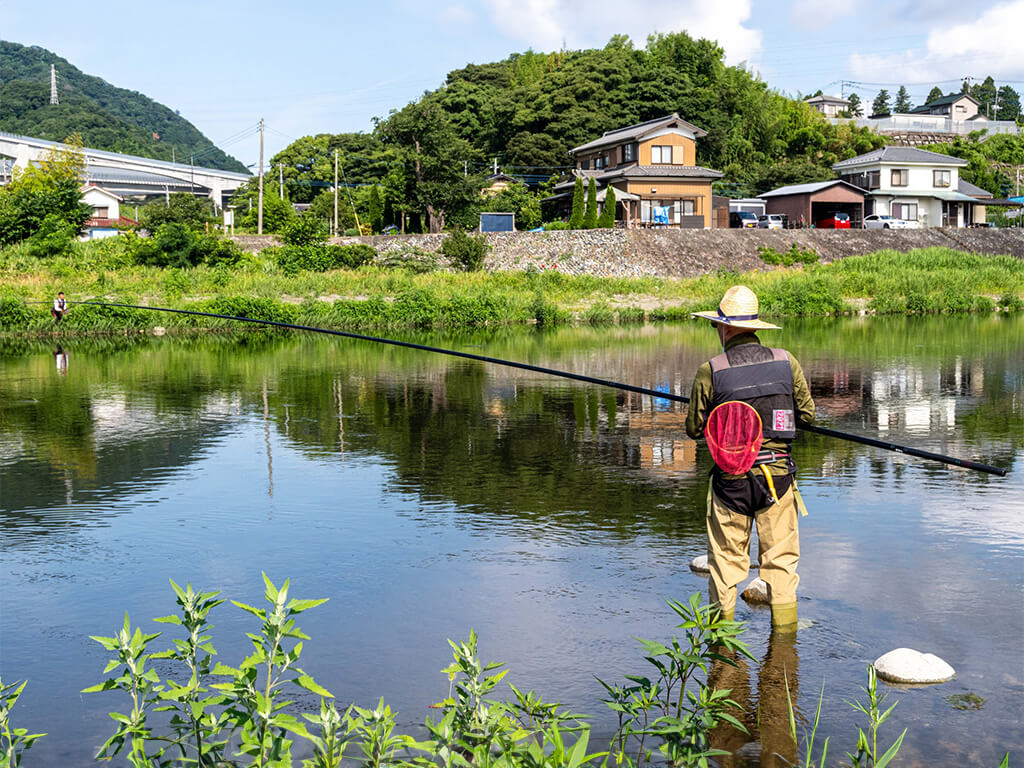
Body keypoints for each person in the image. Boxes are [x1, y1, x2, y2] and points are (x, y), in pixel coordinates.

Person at [686, 285, 815, 632]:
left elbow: (695, 429)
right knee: (782, 564)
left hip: (731, 483)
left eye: (716, 325)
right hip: (778, 479)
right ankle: (785, 648)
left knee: (726, 565)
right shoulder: (786, 362)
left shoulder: (710, 370)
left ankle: (722, 649)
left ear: (725, 328)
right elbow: (808, 414)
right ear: (754, 327)